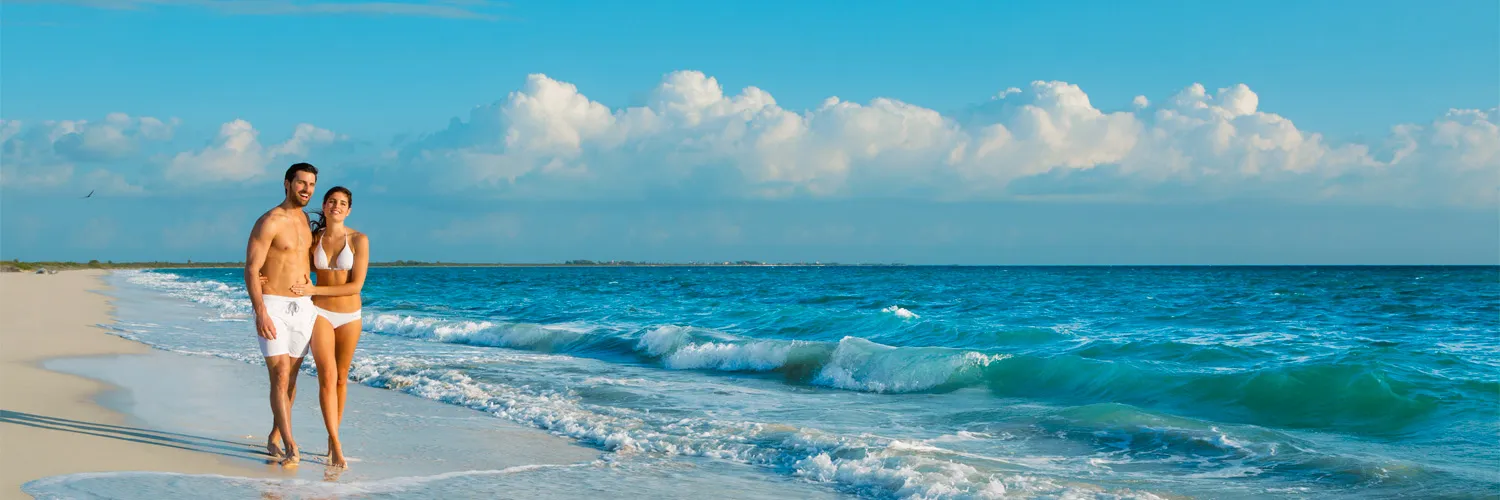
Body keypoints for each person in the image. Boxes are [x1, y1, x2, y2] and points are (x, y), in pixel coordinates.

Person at [244, 162, 319, 466]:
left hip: (303, 307)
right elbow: (250, 268)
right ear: (287, 184)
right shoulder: (269, 221)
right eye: (301, 183)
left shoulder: (307, 222)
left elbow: (307, 262)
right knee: (280, 374)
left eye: (312, 185)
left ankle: (275, 434)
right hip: (273, 304)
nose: (307, 190)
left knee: (292, 379)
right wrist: (260, 310)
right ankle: (291, 444)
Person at [290, 186, 368, 469]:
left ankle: (331, 434)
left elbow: (356, 285)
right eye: (332, 201)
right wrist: (264, 277)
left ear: (348, 210)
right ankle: (336, 443)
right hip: (319, 311)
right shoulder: (313, 239)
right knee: (327, 375)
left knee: (341, 378)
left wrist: (314, 286)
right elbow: (289, 263)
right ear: (324, 206)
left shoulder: (359, 239)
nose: (336, 206)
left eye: (343, 203)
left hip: (350, 316)